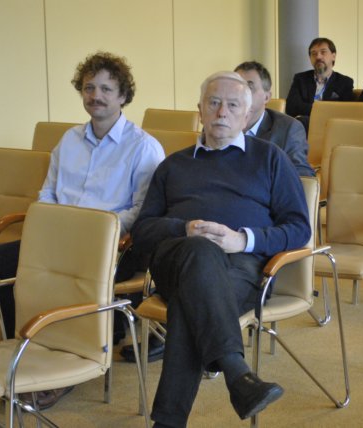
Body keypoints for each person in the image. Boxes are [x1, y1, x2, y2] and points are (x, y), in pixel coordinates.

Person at [0, 51, 164, 407]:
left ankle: (65, 367)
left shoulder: (144, 147)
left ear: (123, 96)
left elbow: (143, 210)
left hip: (110, 246)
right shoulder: (69, 140)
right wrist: (49, 226)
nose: (96, 96)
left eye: (106, 89)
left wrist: (95, 230)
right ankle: (34, 345)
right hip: (55, 239)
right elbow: (48, 192)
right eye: (89, 88)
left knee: (60, 278)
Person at [131, 71, 311, 427]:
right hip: (176, 260)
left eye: (232, 105)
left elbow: (299, 228)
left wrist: (243, 239)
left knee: (190, 302)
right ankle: (235, 370)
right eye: (213, 103)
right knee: (199, 251)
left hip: (243, 268)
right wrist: (184, 228)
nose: (222, 112)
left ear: (247, 114)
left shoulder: (270, 159)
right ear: (199, 110)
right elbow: (143, 230)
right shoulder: (173, 165)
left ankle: (170, 421)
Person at [234, 61, 315, 176]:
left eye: (249, 88)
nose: (240, 95)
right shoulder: (219, 124)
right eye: (236, 88)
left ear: (267, 97)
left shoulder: (288, 130)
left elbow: (302, 176)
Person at [285, 37, 354, 123]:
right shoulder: (301, 79)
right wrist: (325, 110)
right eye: (314, 53)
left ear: (333, 56)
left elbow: (345, 111)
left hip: (331, 126)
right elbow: (291, 107)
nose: (318, 57)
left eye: (323, 52)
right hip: (303, 125)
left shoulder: (345, 82)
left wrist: (309, 109)